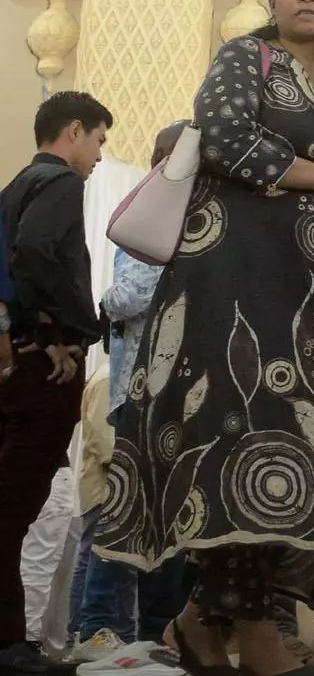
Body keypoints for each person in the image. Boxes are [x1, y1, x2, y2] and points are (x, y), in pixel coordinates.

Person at [92, 0, 314, 676]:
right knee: (239, 436)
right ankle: (256, 631)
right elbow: (231, 141)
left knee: (297, 453)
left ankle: (202, 622)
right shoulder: (247, 59)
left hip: (312, 299)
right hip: (233, 282)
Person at [70, 124, 191, 660]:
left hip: (164, 392)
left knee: (163, 520)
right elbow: (128, 296)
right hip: (145, 390)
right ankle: (99, 625)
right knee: (130, 513)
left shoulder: (170, 209)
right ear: (169, 159)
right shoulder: (158, 208)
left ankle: (155, 631)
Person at [0, 90, 110, 676]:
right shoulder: (62, 184)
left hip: (17, 362)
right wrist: (56, 332)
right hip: (46, 365)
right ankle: (10, 644)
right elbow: (37, 253)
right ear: (73, 131)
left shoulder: (15, 185)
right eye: (97, 141)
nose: (96, 156)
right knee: (13, 509)